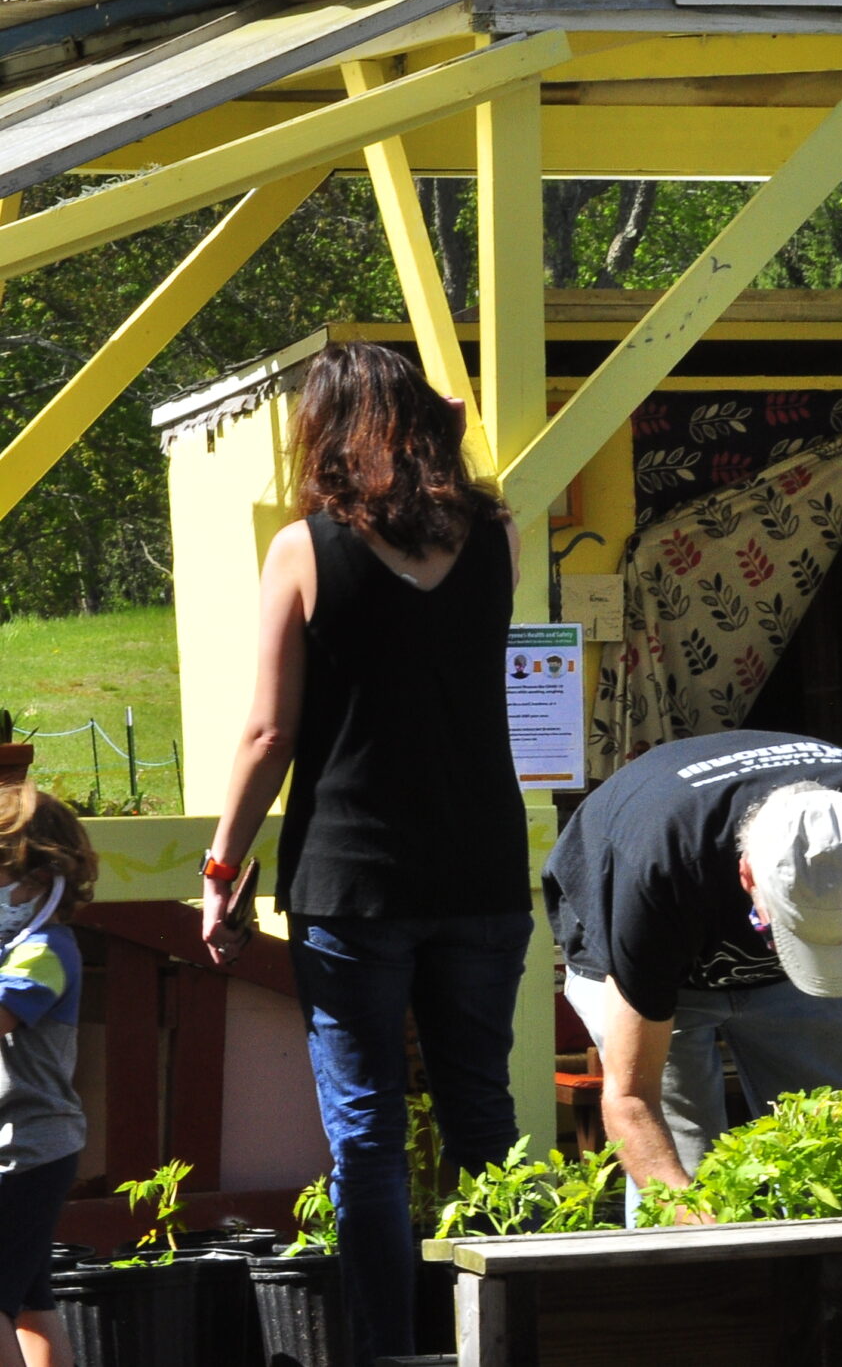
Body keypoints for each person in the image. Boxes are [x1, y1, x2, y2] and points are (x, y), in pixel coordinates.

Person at [200, 341, 529, 1367]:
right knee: (485, 1110)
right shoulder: (498, 538)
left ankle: (388, 1349)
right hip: (480, 863)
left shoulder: (304, 548)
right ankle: (513, 1335)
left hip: (350, 877)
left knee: (367, 1135)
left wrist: (221, 871)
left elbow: (268, 732)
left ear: (328, 428)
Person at [546, 731, 842, 1210]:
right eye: (794, 934)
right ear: (748, 876)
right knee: (685, 1159)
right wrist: (685, 1215)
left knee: (831, 1150)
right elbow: (632, 1098)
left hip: (712, 922)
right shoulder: (660, 868)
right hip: (655, 948)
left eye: (836, 937)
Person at [0, 788, 93, 1367]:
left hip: (28, 1150)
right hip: (25, 1149)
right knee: (33, 1305)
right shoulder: (16, 948)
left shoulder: (45, 951)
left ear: (43, 877)